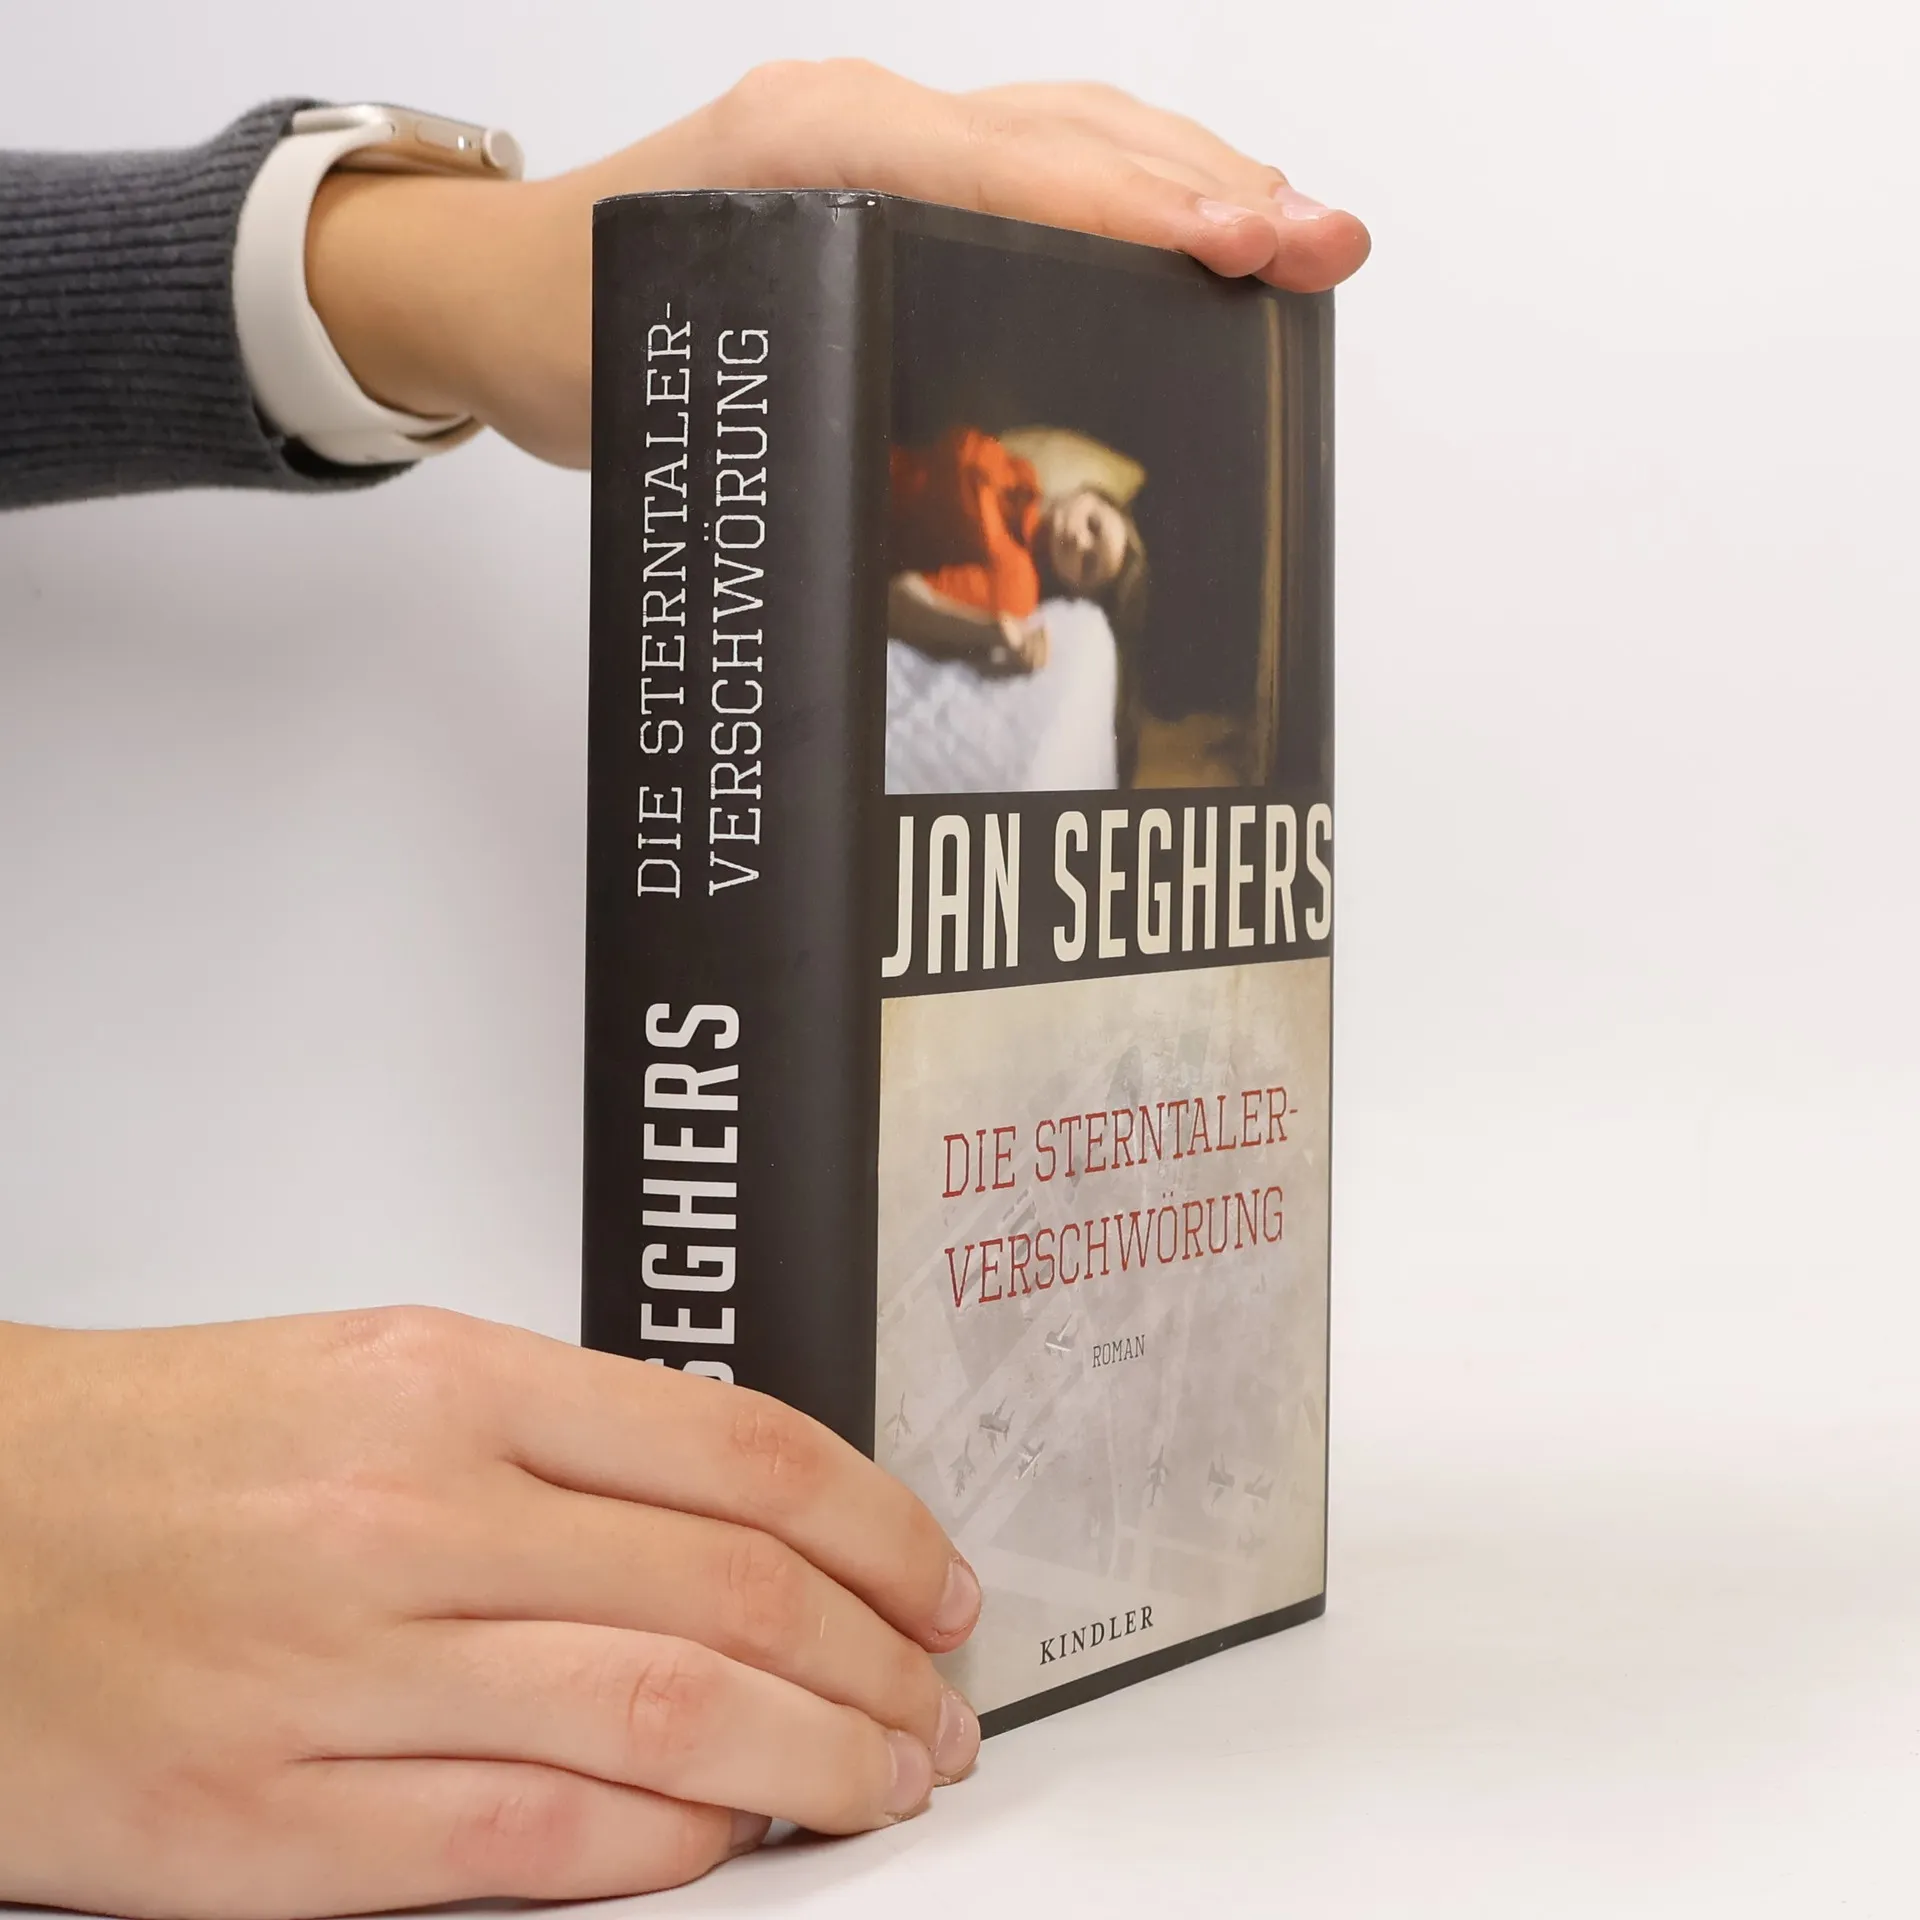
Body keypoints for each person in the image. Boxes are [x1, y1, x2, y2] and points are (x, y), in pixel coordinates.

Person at [0, 60, 1370, 1916]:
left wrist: (435, 270)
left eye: (1107, 553)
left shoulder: (1055, 611)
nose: (1085, 545)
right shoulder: (980, 515)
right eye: (1089, 524)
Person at [888, 425, 1149, 678]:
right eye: (1093, 524)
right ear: (1086, 494)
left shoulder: (1016, 585)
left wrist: (991, 632)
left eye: (1087, 563)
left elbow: (898, 602)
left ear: (1077, 589)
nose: (1080, 542)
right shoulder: (1024, 476)